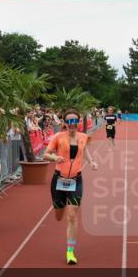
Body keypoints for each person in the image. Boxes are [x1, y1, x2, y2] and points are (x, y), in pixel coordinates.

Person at [43, 109, 98, 265]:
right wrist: (55, 157)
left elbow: (84, 150)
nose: (72, 124)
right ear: (65, 123)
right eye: (69, 121)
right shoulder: (58, 137)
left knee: (72, 216)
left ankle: (70, 252)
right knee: (59, 215)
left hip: (76, 180)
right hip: (59, 180)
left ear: (78, 122)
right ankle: (58, 209)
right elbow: (45, 154)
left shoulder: (83, 137)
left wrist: (91, 162)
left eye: (75, 121)